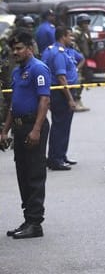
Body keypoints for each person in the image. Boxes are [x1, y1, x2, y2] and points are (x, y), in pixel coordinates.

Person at [1, 29, 50, 239]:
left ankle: (35, 223)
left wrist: (36, 129)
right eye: (13, 49)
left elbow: (44, 100)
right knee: (22, 174)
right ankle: (28, 218)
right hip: (20, 126)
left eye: (19, 48)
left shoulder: (39, 69)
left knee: (34, 174)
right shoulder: (16, 71)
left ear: (30, 48)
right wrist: (5, 130)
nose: (15, 52)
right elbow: (13, 104)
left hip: (33, 125)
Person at [41, 26, 79, 170]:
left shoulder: (50, 50)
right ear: (63, 36)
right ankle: (55, 160)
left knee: (62, 126)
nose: (72, 38)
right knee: (60, 127)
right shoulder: (59, 53)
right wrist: (70, 99)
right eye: (70, 36)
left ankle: (61, 155)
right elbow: (61, 78)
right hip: (61, 94)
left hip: (57, 93)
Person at [71, 14, 93, 112]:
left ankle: (78, 100)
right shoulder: (76, 32)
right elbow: (72, 43)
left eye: (87, 23)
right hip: (78, 60)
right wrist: (78, 54)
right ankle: (75, 101)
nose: (86, 25)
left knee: (86, 78)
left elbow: (89, 43)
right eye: (84, 23)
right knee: (78, 80)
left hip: (84, 60)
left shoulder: (85, 32)